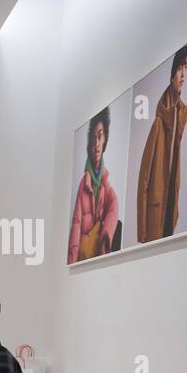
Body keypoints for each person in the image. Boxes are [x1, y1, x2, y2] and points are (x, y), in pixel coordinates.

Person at [136, 46, 187, 243]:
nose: (183, 74)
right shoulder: (160, 122)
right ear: (171, 73)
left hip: (168, 213)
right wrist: (142, 232)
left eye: (186, 67)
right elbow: (144, 180)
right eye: (179, 68)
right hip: (155, 217)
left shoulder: (179, 114)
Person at [68, 107, 121, 262]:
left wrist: (106, 235)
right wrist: (72, 263)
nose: (97, 144)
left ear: (105, 140)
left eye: (100, 137)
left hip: (97, 252)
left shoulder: (104, 180)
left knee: (118, 225)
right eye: (93, 139)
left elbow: (114, 204)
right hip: (85, 254)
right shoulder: (84, 183)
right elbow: (76, 225)